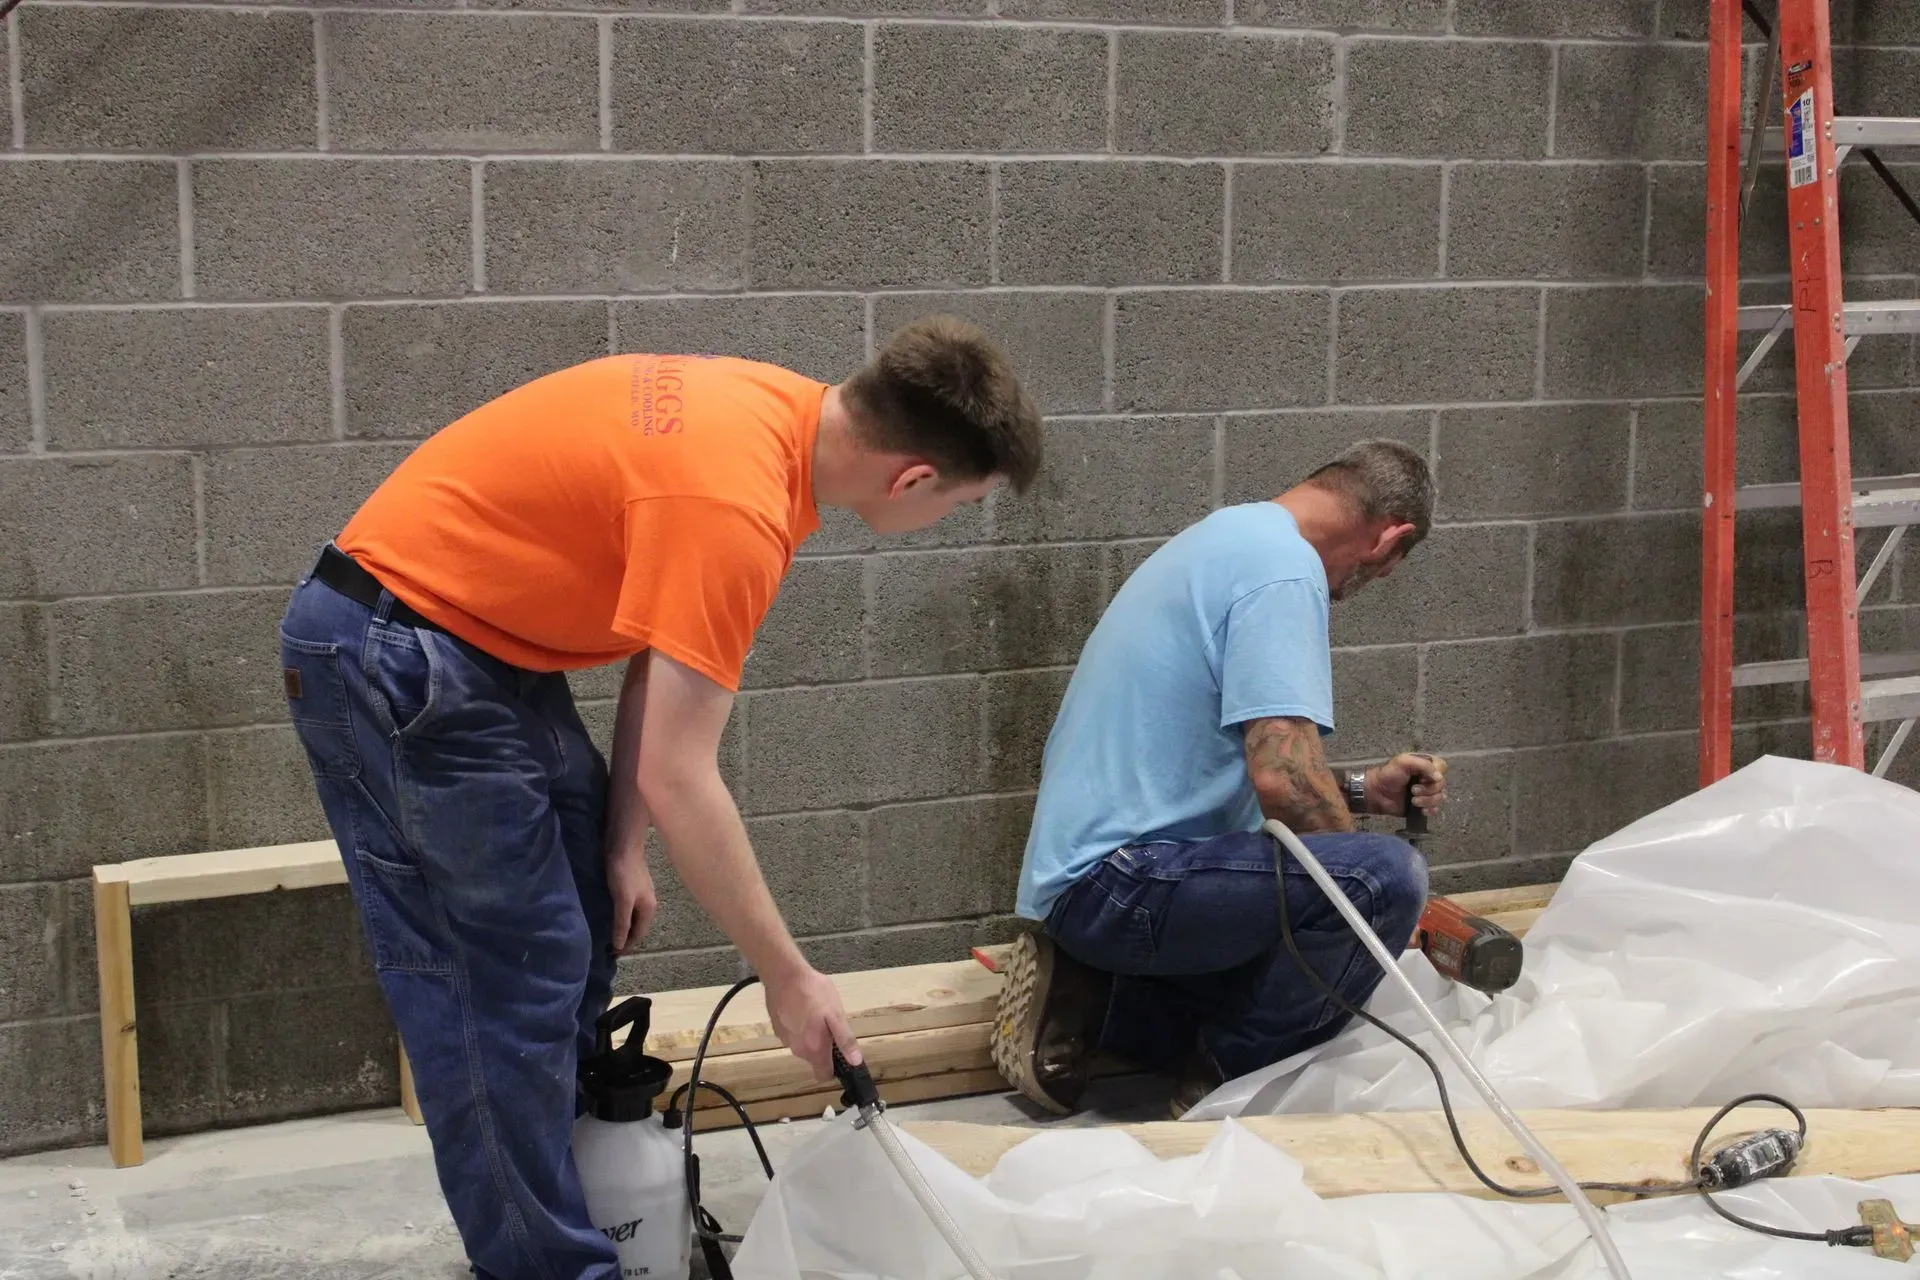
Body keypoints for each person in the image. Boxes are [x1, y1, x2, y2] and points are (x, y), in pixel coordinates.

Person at [277, 317, 1042, 1280]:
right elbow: (684, 776)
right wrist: (787, 974)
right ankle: (546, 1263)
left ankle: (562, 1197)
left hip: (479, 643)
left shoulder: (775, 411)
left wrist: (623, 845)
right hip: (399, 650)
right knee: (506, 980)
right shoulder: (736, 505)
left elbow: (658, 659)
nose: (944, 518)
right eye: (960, 503)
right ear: (912, 480)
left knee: (584, 916)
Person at [991, 439, 1448, 1119]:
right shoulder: (1284, 570)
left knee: (1295, 976)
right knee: (1387, 882)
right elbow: (1284, 784)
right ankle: (1228, 1080)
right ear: (1391, 538)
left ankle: (1104, 1004)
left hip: (1098, 885)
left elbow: (1213, 774)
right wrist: (1372, 911)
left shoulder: (1228, 537)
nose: (1361, 586)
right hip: (1127, 886)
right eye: (1380, 573)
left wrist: (1360, 791)